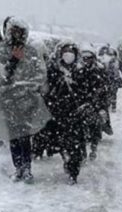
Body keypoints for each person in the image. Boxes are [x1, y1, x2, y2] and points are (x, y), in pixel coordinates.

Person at [0, 17, 51, 183]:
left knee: (25, 136)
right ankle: (18, 167)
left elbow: (40, 74)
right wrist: (14, 61)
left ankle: (27, 169)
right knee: (13, 136)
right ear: (8, 32)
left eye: (20, 32)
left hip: (28, 101)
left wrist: (29, 86)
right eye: (13, 31)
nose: (17, 35)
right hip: (8, 101)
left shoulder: (32, 51)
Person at [45, 42, 89, 184]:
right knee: (61, 143)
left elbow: (86, 91)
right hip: (58, 113)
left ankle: (73, 171)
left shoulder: (81, 70)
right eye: (65, 51)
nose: (68, 54)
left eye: (71, 52)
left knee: (74, 143)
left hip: (76, 113)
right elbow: (48, 90)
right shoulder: (53, 69)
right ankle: (67, 159)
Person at [77, 44, 111, 160]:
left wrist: (101, 105)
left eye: (88, 57)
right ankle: (82, 152)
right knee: (79, 129)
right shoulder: (77, 70)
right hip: (81, 104)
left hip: (96, 104)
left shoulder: (100, 70)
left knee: (95, 127)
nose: (86, 60)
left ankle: (93, 147)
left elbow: (104, 88)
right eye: (84, 57)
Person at [99, 44, 122, 111]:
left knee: (113, 93)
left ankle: (113, 106)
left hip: (114, 80)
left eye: (112, 55)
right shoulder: (104, 62)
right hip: (107, 80)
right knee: (107, 92)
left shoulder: (118, 62)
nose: (112, 57)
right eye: (110, 55)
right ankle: (109, 104)